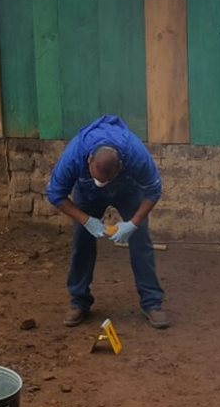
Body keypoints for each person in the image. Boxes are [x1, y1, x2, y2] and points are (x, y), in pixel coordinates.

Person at [46, 115, 169, 329]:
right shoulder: (74, 155)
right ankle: (79, 301)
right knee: (81, 241)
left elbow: (154, 190)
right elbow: (55, 194)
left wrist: (133, 223)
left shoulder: (135, 154)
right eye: (97, 178)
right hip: (87, 194)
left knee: (141, 241)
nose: (101, 184)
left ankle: (152, 303)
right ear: (88, 161)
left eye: (105, 180)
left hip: (128, 191)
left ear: (121, 165)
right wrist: (86, 220)